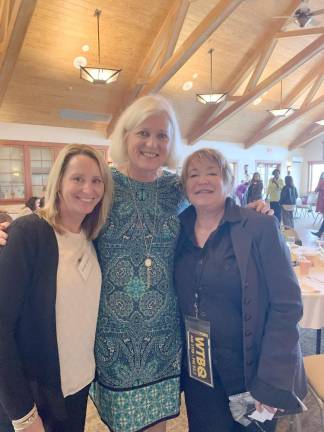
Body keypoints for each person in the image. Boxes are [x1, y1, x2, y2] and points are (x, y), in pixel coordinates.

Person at [0, 96, 272, 432]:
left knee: (156, 426)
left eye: (162, 135)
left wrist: (249, 211)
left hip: (165, 337)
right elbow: (57, 218)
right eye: (144, 132)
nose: (152, 143)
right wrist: (9, 231)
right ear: (126, 136)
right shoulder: (103, 183)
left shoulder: (178, 187)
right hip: (111, 340)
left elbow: (213, 203)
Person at [175, 148, 307, 432]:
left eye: (212, 173)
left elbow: (287, 306)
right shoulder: (177, 230)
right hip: (200, 369)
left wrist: (272, 380)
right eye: (193, 175)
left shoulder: (259, 226)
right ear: (185, 186)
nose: (203, 181)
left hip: (251, 370)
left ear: (228, 180)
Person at [0, 144, 113, 432]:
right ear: (58, 182)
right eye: (77, 178)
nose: (88, 188)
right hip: (33, 395)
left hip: (75, 387)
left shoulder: (92, 238)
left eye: (96, 180)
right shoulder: (30, 233)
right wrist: (23, 414)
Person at [312, 172, 324, 238]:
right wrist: (317, 189)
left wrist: (321, 188)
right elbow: (318, 186)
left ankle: (320, 232)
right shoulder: (322, 174)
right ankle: (320, 232)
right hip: (322, 199)